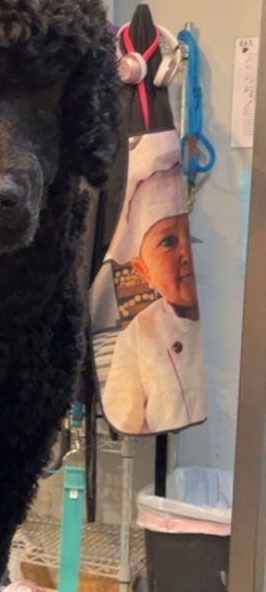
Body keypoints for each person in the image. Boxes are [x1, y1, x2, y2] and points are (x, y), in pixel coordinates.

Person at [104, 161, 206, 435]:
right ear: (143, 270)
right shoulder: (138, 335)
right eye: (168, 242)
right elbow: (123, 419)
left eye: (193, 237)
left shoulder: (232, 310)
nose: (187, 253)